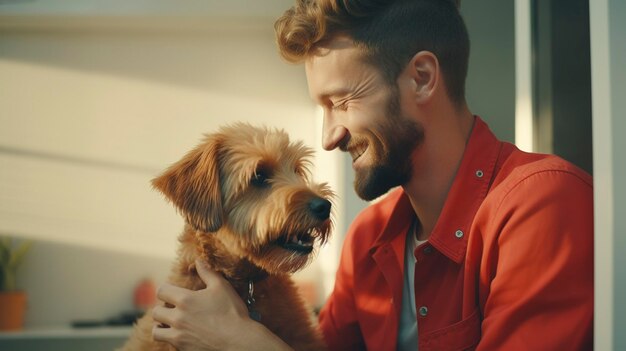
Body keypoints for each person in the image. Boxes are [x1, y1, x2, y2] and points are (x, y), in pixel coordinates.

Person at [151, 0, 594, 350]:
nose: (329, 136)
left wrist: (244, 345)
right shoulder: (368, 241)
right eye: (321, 109)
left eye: (341, 102)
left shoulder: (543, 203)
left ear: (421, 78)